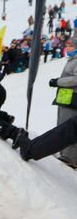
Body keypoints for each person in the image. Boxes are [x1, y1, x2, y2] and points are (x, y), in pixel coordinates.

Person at [15, 35, 77, 166]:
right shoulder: (72, 59)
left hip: (73, 97)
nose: (67, 48)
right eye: (67, 45)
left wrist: (58, 81)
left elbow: (75, 79)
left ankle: (69, 158)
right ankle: (64, 153)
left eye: (71, 45)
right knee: (63, 124)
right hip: (65, 96)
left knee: (68, 127)